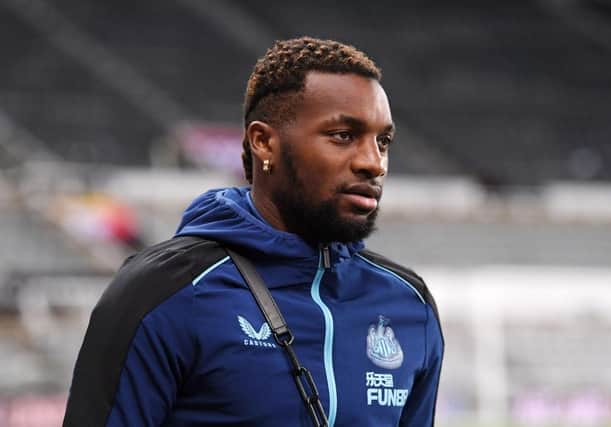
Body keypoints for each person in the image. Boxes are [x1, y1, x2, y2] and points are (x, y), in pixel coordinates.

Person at [63, 37, 444, 427]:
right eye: (343, 136)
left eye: (383, 141)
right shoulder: (163, 292)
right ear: (264, 142)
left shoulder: (409, 305)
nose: (373, 163)